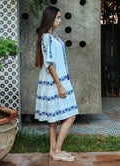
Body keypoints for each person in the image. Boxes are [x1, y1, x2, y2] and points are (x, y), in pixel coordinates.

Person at [35, 6, 79, 162]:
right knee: (71, 115)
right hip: (55, 82)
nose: (60, 20)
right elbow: (49, 64)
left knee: (53, 118)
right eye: (58, 17)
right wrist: (59, 85)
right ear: (51, 19)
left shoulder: (54, 36)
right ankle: (58, 150)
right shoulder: (46, 37)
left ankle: (53, 152)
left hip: (60, 79)